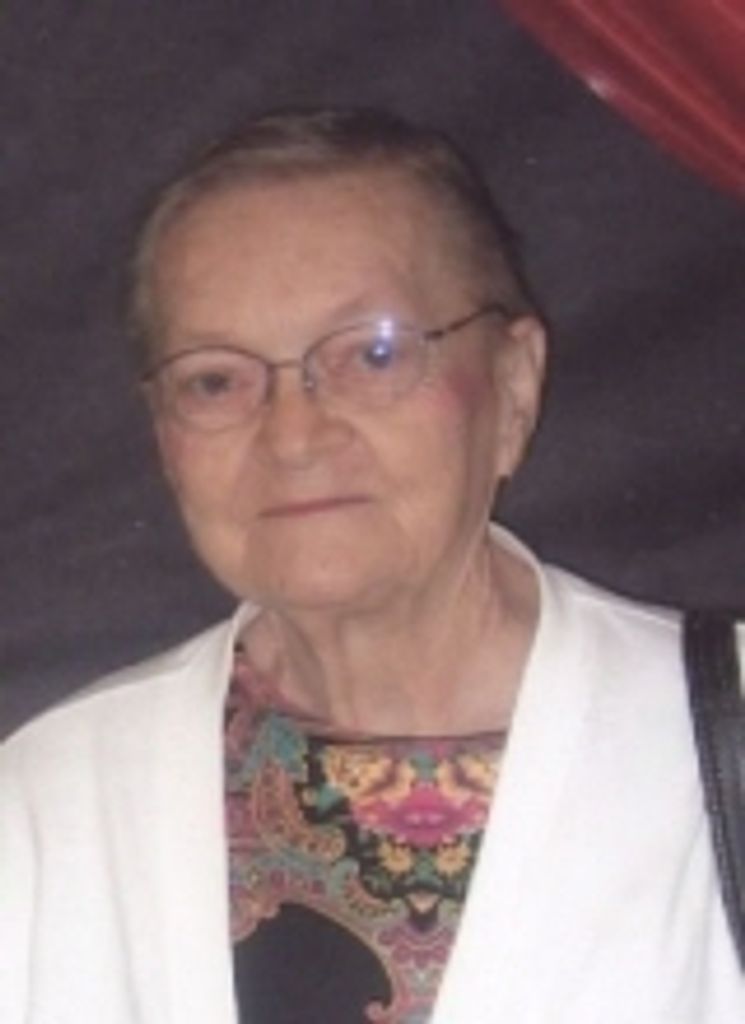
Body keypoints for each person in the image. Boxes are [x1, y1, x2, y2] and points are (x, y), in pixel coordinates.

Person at [1, 108, 743, 1024]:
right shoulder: (49, 805)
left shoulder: (714, 739)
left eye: (374, 354)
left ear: (513, 386)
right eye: (215, 380)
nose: (294, 435)